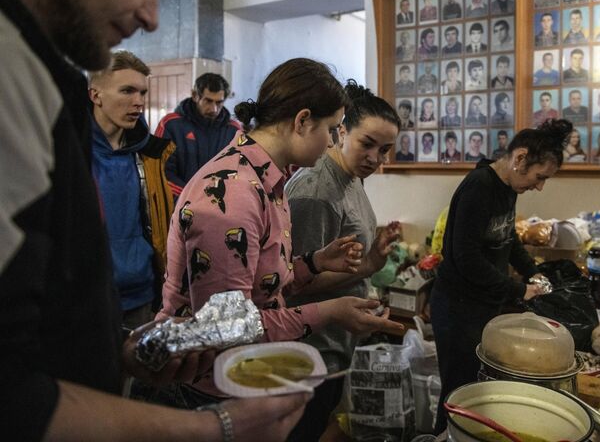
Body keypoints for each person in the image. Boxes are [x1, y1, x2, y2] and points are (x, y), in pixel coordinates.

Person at [0, 0, 313, 439]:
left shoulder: (41, 74)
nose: (151, 17)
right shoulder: (9, 68)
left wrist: (116, 349)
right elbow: (10, 393)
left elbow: (44, 304)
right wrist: (216, 429)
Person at [158, 60, 404, 403]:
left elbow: (263, 283)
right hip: (212, 385)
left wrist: (315, 262)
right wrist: (330, 311)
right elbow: (230, 327)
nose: (333, 141)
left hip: (247, 371)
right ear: (303, 121)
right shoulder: (231, 193)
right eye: (332, 129)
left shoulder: (267, 180)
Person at [431, 119, 571, 434]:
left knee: (475, 391)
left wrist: (533, 272)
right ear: (520, 158)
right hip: (457, 308)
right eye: (540, 177)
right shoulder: (479, 187)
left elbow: (507, 241)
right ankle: (444, 435)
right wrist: (517, 289)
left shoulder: (508, 188)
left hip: (482, 305)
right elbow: (466, 259)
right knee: (457, 393)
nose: (539, 186)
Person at [283, 81, 402, 441]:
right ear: (340, 131)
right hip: (310, 346)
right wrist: (366, 267)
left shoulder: (351, 178)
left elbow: (343, 257)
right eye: (367, 144)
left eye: (385, 150)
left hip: (335, 342)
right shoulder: (317, 191)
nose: (375, 159)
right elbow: (293, 282)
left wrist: (373, 254)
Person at [89, 51, 174, 328]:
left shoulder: (151, 156)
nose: (138, 102)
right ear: (96, 95)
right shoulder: (68, 153)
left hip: (142, 294)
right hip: (84, 297)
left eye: (142, 92)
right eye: (127, 91)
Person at [155, 73, 239, 199]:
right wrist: (193, 198)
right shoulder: (171, 125)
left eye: (219, 103)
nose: (214, 109)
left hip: (219, 209)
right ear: (195, 95)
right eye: (208, 101)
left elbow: (240, 172)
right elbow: (161, 171)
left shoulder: (234, 131)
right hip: (179, 208)